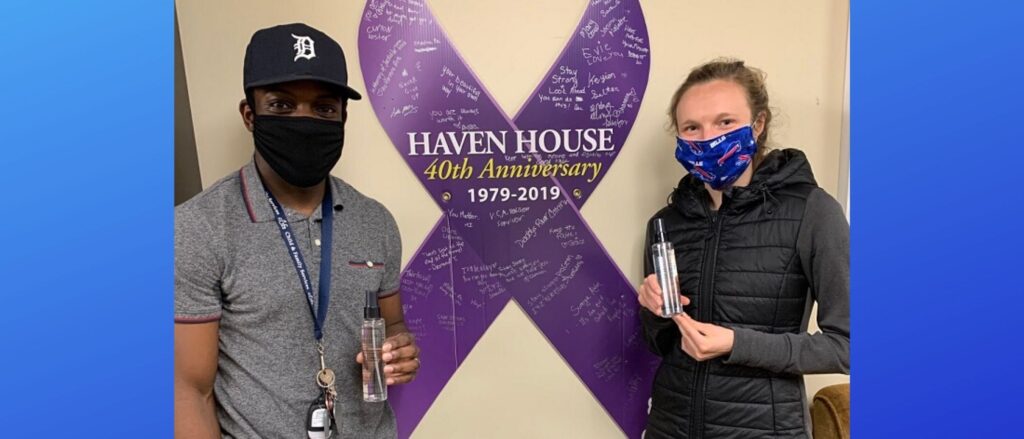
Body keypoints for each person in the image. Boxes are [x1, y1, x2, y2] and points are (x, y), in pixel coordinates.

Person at [174, 23, 420, 438]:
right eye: (283, 106)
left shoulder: (375, 221)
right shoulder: (198, 228)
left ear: (343, 115)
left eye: (324, 108)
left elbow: (393, 327)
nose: (304, 121)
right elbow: (187, 390)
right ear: (250, 115)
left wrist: (400, 350)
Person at [637, 59, 849, 438]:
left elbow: (847, 346)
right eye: (692, 127)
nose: (708, 138)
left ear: (758, 124)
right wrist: (653, 310)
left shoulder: (812, 212)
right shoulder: (666, 223)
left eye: (724, 122)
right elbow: (660, 342)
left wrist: (737, 344)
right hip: (669, 427)